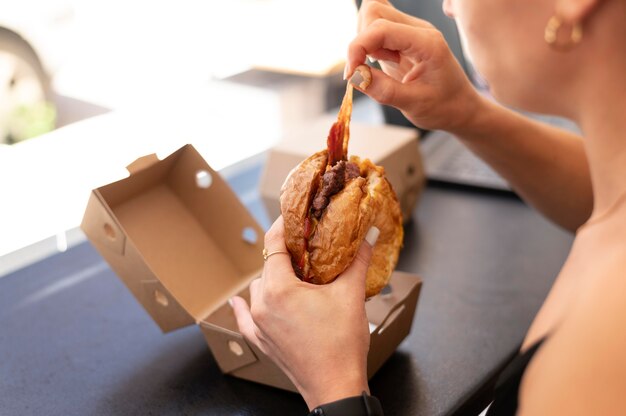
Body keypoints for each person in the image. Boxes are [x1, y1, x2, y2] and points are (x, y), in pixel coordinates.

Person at [231, 0, 626, 414]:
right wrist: (464, 111)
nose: (448, 5)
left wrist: (334, 388)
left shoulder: (600, 361)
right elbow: (600, 196)